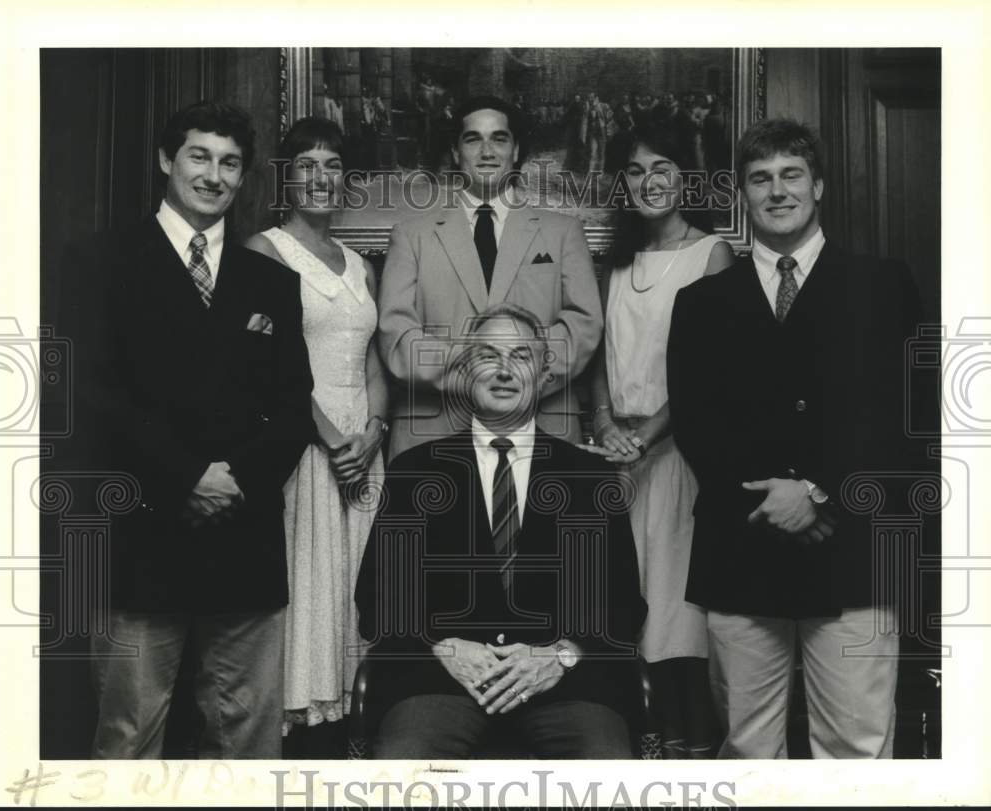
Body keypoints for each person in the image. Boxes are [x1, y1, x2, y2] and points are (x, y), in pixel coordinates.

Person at [61, 101, 314, 758]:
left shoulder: (273, 282)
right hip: (140, 540)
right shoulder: (101, 261)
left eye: (230, 162)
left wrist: (233, 482)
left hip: (244, 537)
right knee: (129, 736)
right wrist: (186, 477)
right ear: (167, 161)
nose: (214, 174)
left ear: (244, 176)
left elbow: (294, 406)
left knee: (248, 742)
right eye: (199, 156)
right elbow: (89, 395)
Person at [666, 118, 925, 758]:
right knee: (749, 751)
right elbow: (696, 424)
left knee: (857, 749)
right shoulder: (701, 302)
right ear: (743, 195)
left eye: (790, 175)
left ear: (818, 187)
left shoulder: (885, 286)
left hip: (855, 550)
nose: (777, 191)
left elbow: (910, 419)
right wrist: (773, 498)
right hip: (741, 547)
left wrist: (817, 492)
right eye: (760, 179)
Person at [355, 304, 647, 758]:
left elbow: (624, 603)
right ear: (467, 370)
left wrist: (562, 655)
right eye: (488, 356)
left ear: (545, 374)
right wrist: (445, 648)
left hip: (565, 687)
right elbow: (377, 598)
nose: (505, 371)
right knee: (404, 767)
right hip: (442, 686)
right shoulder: (415, 471)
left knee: (605, 771)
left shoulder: (590, 476)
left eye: (522, 357)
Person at [585, 124, 733, 758]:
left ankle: (694, 750)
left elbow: (710, 371)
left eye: (662, 167)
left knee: (679, 611)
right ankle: (654, 745)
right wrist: (605, 426)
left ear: (685, 178)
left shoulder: (713, 253)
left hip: (680, 456)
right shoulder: (615, 262)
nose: (648, 182)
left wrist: (645, 436)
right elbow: (597, 363)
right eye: (635, 172)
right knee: (633, 602)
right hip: (621, 458)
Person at [245, 117, 388, 757]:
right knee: (308, 581)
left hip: (363, 449)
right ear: (286, 176)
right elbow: (265, 372)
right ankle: (302, 736)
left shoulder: (359, 262)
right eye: (307, 165)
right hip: (305, 445)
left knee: (356, 583)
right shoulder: (264, 250)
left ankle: (353, 722)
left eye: (333, 166)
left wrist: (373, 434)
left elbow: (375, 362)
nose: (321, 178)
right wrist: (332, 439)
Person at [378, 95, 603, 459]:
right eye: (473, 139)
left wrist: (517, 376)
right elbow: (396, 336)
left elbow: (584, 326)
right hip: (432, 436)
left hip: (540, 431)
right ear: (455, 151)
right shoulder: (411, 235)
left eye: (499, 138)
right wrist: (477, 377)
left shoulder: (563, 232)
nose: (487, 151)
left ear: (516, 151)